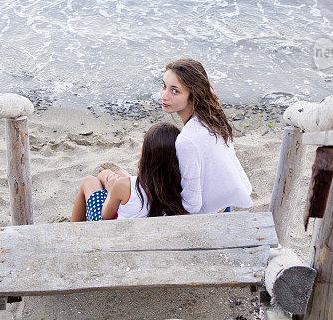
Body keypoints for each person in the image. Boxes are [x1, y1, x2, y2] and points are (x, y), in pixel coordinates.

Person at [160, 58, 253, 214]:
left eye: (175, 91)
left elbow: (192, 204)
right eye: (164, 86)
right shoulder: (214, 118)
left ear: (193, 94)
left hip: (208, 218)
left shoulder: (187, 140)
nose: (164, 95)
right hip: (224, 205)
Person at [70, 122, 187, 221]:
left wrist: (111, 190)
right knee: (112, 174)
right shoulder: (182, 185)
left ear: (144, 153)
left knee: (89, 181)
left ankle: (72, 233)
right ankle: (109, 174)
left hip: (116, 235)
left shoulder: (121, 186)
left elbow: (105, 216)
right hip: (146, 222)